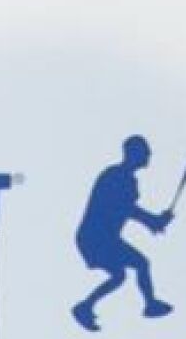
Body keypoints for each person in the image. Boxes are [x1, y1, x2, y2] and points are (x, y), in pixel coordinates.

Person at [71, 136, 175, 331]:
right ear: (134, 154)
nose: (149, 155)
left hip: (98, 237)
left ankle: (85, 307)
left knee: (119, 275)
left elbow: (126, 210)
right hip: (96, 237)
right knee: (141, 264)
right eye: (145, 152)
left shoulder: (124, 178)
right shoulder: (118, 177)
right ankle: (150, 304)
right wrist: (153, 221)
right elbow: (126, 208)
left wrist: (154, 222)